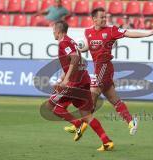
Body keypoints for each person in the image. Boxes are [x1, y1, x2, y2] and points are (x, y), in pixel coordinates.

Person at [64, 7, 153, 135]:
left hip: (105, 66)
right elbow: (87, 47)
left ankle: (80, 125)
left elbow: (128, 33)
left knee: (91, 96)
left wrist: (147, 34)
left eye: (105, 17)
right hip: (97, 67)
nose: (104, 19)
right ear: (94, 19)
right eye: (101, 17)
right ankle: (131, 121)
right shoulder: (87, 33)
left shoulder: (111, 30)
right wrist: (80, 49)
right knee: (114, 99)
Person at [45, 20, 114, 151]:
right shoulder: (71, 41)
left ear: (58, 31)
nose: (53, 32)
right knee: (86, 115)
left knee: (52, 106)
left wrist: (66, 80)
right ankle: (106, 141)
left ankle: (77, 124)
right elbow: (73, 61)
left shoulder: (64, 42)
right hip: (83, 80)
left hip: (75, 82)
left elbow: (75, 58)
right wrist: (62, 78)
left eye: (53, 30)